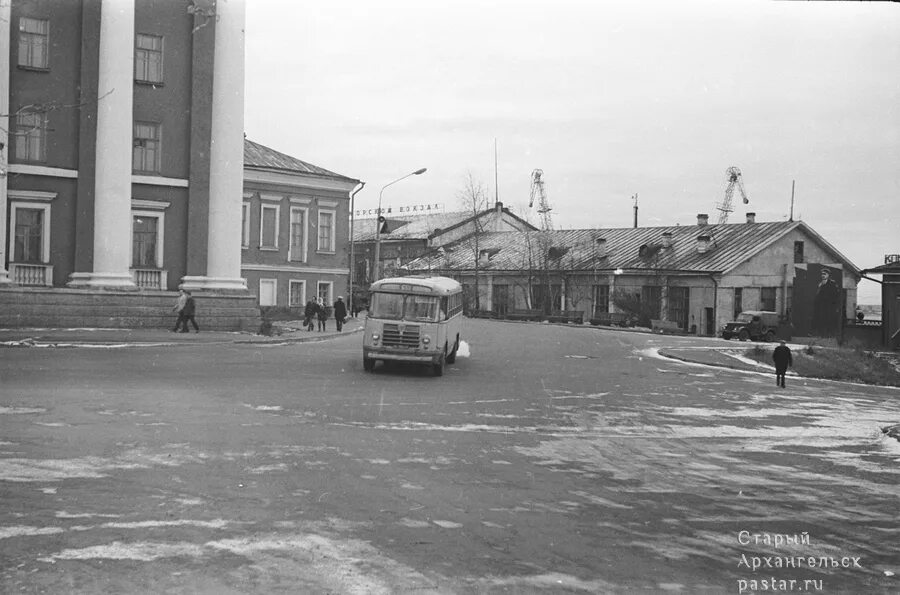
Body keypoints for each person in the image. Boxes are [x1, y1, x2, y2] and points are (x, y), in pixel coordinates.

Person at [812, 267, 840, 337]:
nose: (823, 275)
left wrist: (834, 306)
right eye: (822, 274)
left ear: (828, 275)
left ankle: (829, 335)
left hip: (829, 307)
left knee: (828, 321)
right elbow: (816, 295)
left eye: (824, 274)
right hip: (820, 307)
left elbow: (836, 295)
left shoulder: (832, 283)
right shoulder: (819, 283)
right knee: (820, 320)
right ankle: (821, 335)